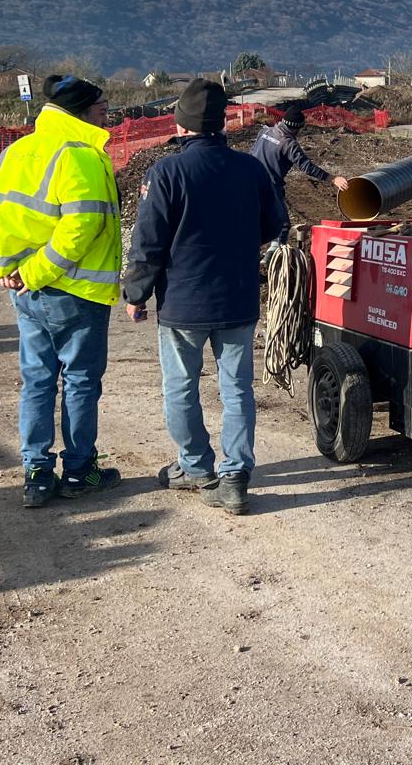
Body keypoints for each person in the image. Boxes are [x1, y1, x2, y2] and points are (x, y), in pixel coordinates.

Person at [122, 79, 286, 515]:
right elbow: (275, 227)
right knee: (237, 390)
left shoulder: (167, 174)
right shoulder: (251, 170)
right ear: (222, 124)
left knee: (180, 387)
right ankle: (235, 477)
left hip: (183, 304)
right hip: (237, 299)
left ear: (181, 123)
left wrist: (136, 293)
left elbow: (148, 243)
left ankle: (195, 466)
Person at [0, 74, 123, 509]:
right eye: (100, 104)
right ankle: (79, 471)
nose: (107, 110)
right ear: (80, 110)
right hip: (75, 292)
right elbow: (84, 224)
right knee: (79, 382)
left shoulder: (15, 152)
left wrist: (5, 270)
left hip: (26, 293)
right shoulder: (80, 156)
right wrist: (36, 272)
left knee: (37, 381)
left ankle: (37, 473)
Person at [251, 103, 349, 247]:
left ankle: (253, 255)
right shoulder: (289, 144)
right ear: (296, 127)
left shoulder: (265, 132)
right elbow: (307, 167)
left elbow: (252, 153)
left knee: (254, 224)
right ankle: (274, 260)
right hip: (269, 188)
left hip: (250, 182)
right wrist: (332, 178)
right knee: (282, 225)